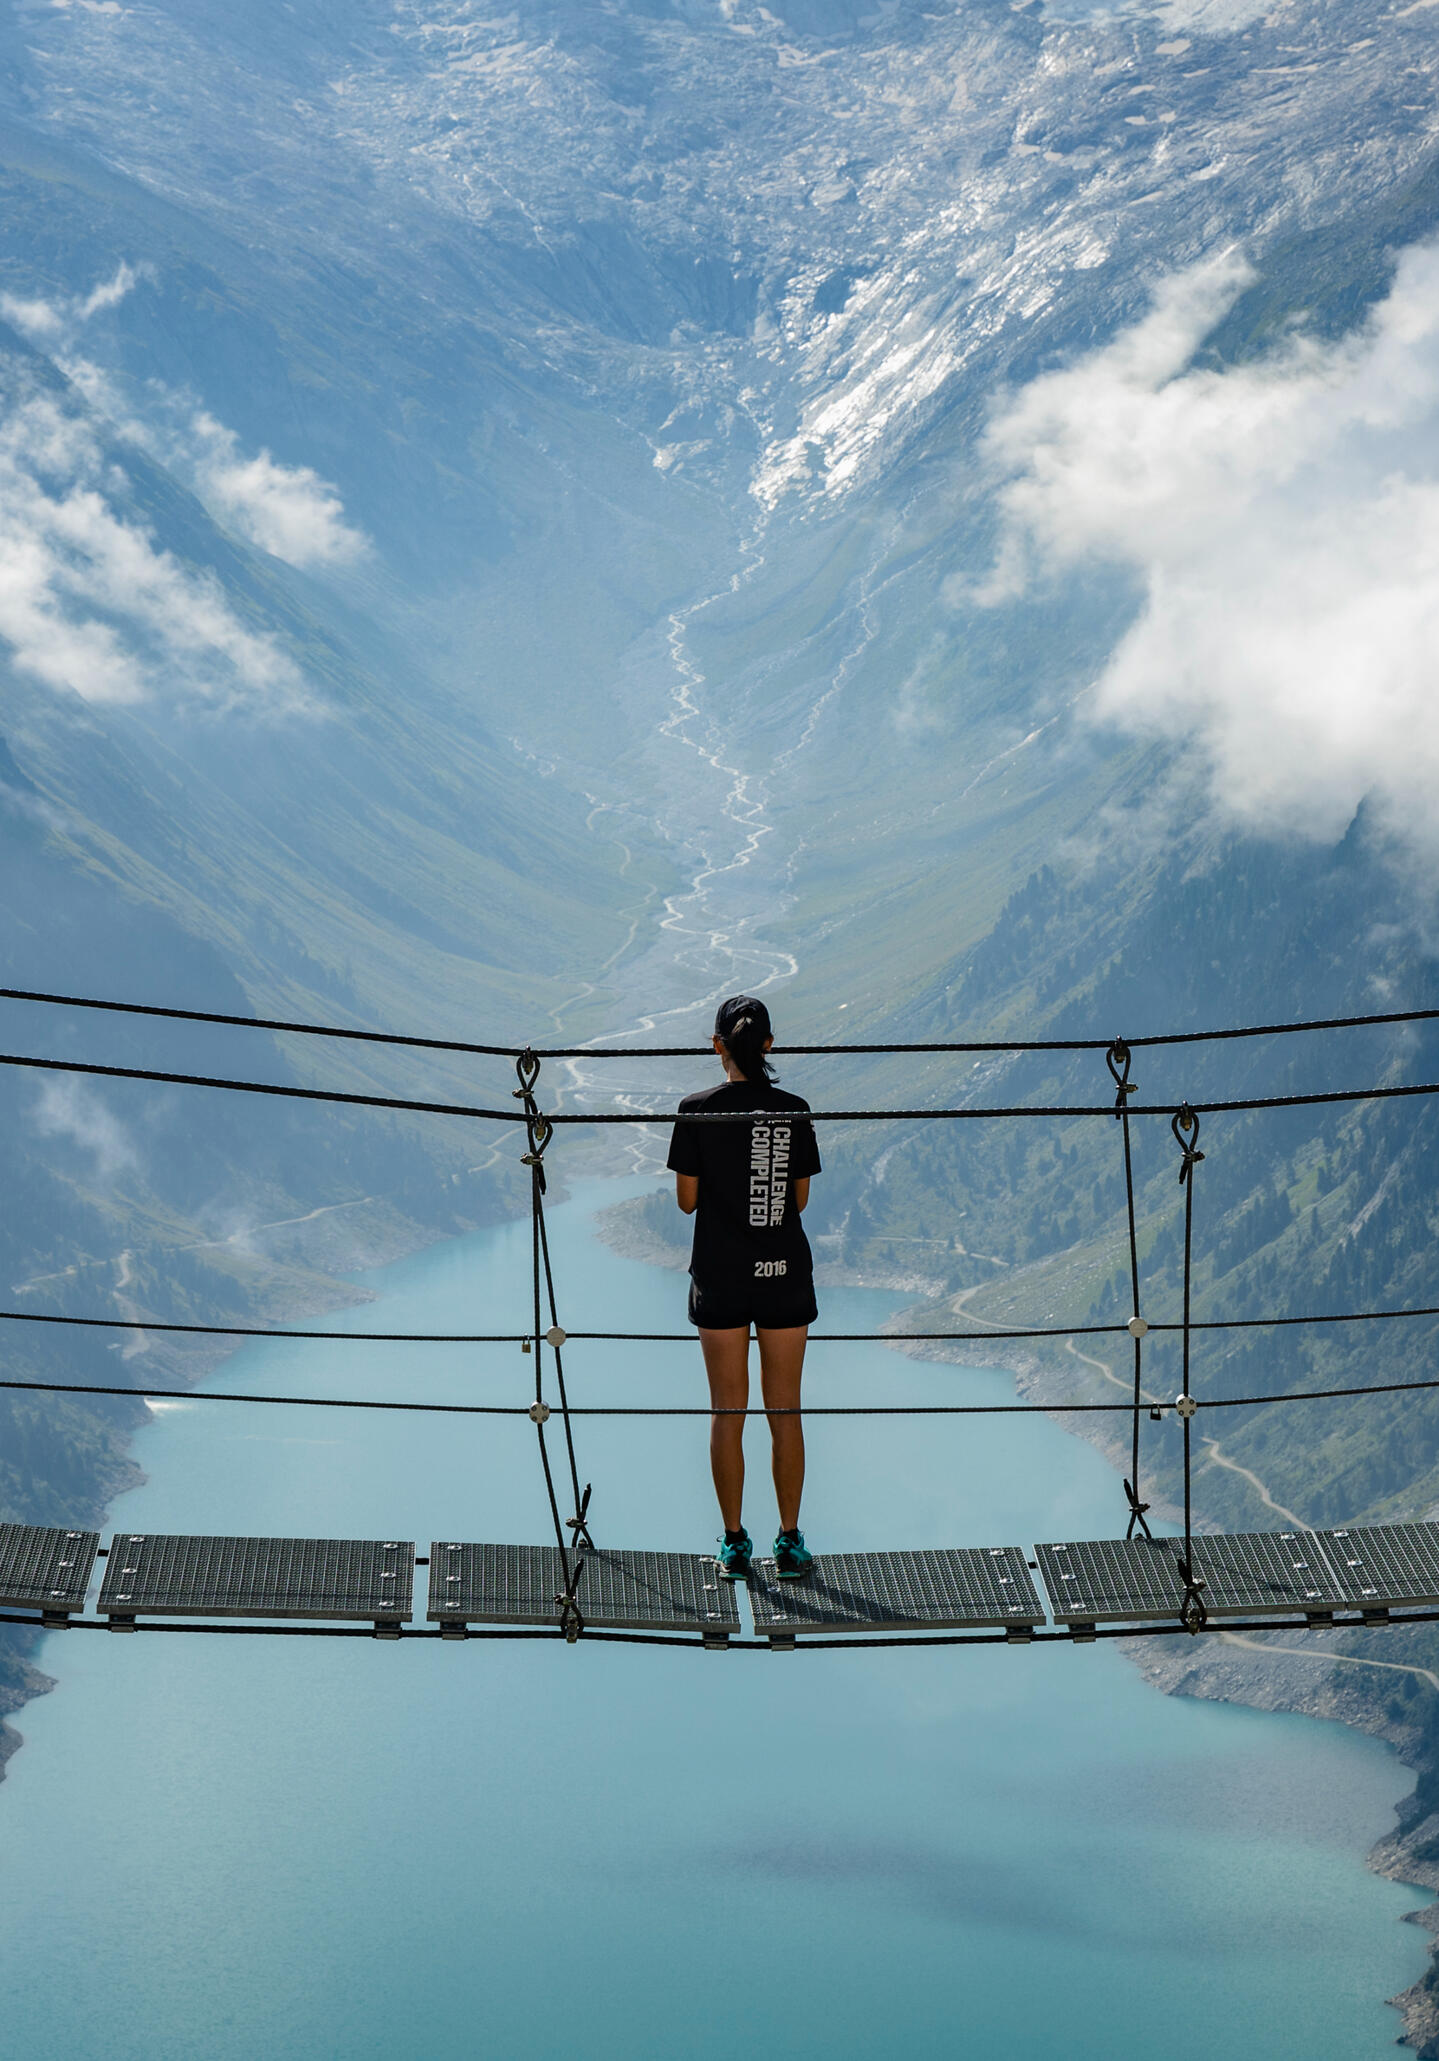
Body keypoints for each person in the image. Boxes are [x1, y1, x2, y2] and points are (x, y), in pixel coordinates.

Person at [667, 994, 821, 1583]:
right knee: (785, 1409)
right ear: (769, 1047)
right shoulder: (794, 1110)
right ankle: (790, 1541)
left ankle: (734, 1543)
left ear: (717, 1047)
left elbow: (686, 1202)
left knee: (727, 1411)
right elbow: (800, 1200)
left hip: (721, 1274)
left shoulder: (695, 1109)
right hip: (785, 1273)